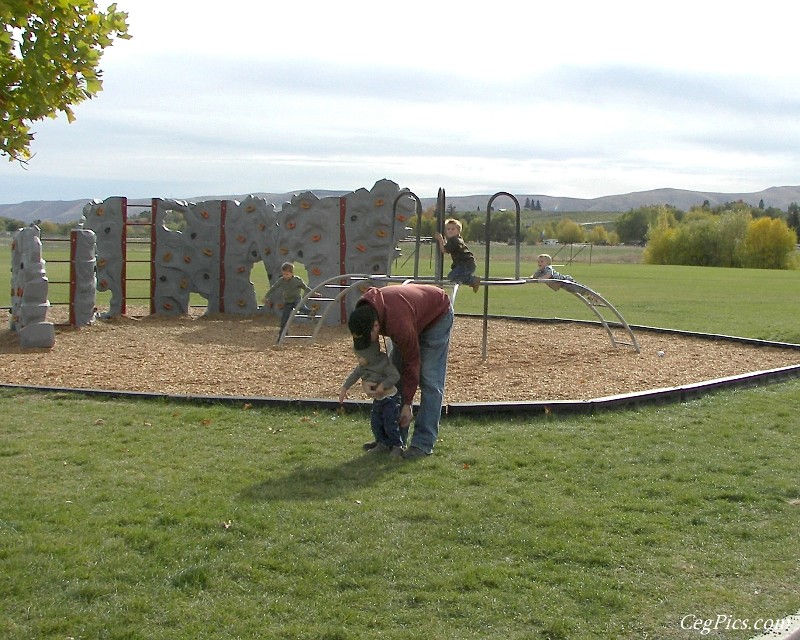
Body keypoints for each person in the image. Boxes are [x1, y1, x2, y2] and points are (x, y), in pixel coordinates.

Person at [347, 283, 453, 459]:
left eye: (368, 338)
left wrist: (408, 403)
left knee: (429, 379)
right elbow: (371, 359)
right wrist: (367, 379)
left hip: (437, 316)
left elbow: (412, 362)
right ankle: (391, 440)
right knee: (393, 378)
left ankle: (423, 444)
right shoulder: (363, 314)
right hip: (411, 314)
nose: (367, 343)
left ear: (375, 326)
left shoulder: (398, 323)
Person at [339, 341, 404, 457]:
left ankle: (397, 445)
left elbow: (395, 376)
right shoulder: (363, 367)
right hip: (378, 399)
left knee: (390, 422)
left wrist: (383, 385)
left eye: (360, 357)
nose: (358, 360)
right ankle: (381, 443)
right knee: (376, 422)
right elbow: (354, 375)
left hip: (390, 397)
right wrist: (344, 388)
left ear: (369, 355)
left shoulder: (384, 363)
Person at [264, 262, 314, 339]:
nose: (285, 276)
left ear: (292, 273)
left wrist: (314, 293)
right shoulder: (282, 281)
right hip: (288, 301)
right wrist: (266, 297)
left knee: (300, 306)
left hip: (296, 299)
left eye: (287, 274)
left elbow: (305, 288)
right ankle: (283, 333)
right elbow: (273, 288)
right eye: (283, 274)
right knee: (284, 318)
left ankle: (310, 312)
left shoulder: (297, 280)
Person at [434, 218, 480, 293]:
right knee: (455, 276)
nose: (450, 230)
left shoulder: (455, 241)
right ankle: (472, 281)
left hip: (465, 264)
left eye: (453, 229)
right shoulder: (455, 240)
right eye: (448, 229)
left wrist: (440, 239)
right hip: (467, 263)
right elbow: (447, 247)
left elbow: (444, 250)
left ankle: (473, 280)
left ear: (458, 231)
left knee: (453, 276)